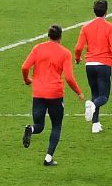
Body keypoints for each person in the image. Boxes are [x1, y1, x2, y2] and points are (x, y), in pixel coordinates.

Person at [20, 25, 82, 167]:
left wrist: (27, 80)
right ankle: (48, 158)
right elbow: (69, 78)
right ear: (60, 36)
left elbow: (24, 67)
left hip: (38, 92)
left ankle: (31, 129)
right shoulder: (65, 53)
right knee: (56, 126)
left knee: (39, 126)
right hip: (55, 94)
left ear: (48, 35)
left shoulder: (38, 48)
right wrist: (79, 92)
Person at [75, 0, 112, 133]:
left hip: (90, 64)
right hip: (103, 64)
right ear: (106, 11)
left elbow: (78, 47)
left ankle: (95, 124)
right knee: (103, 97)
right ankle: (93, 105)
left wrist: (78, 59)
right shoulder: (110, 27)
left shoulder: (86, 27)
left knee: (95, 93)